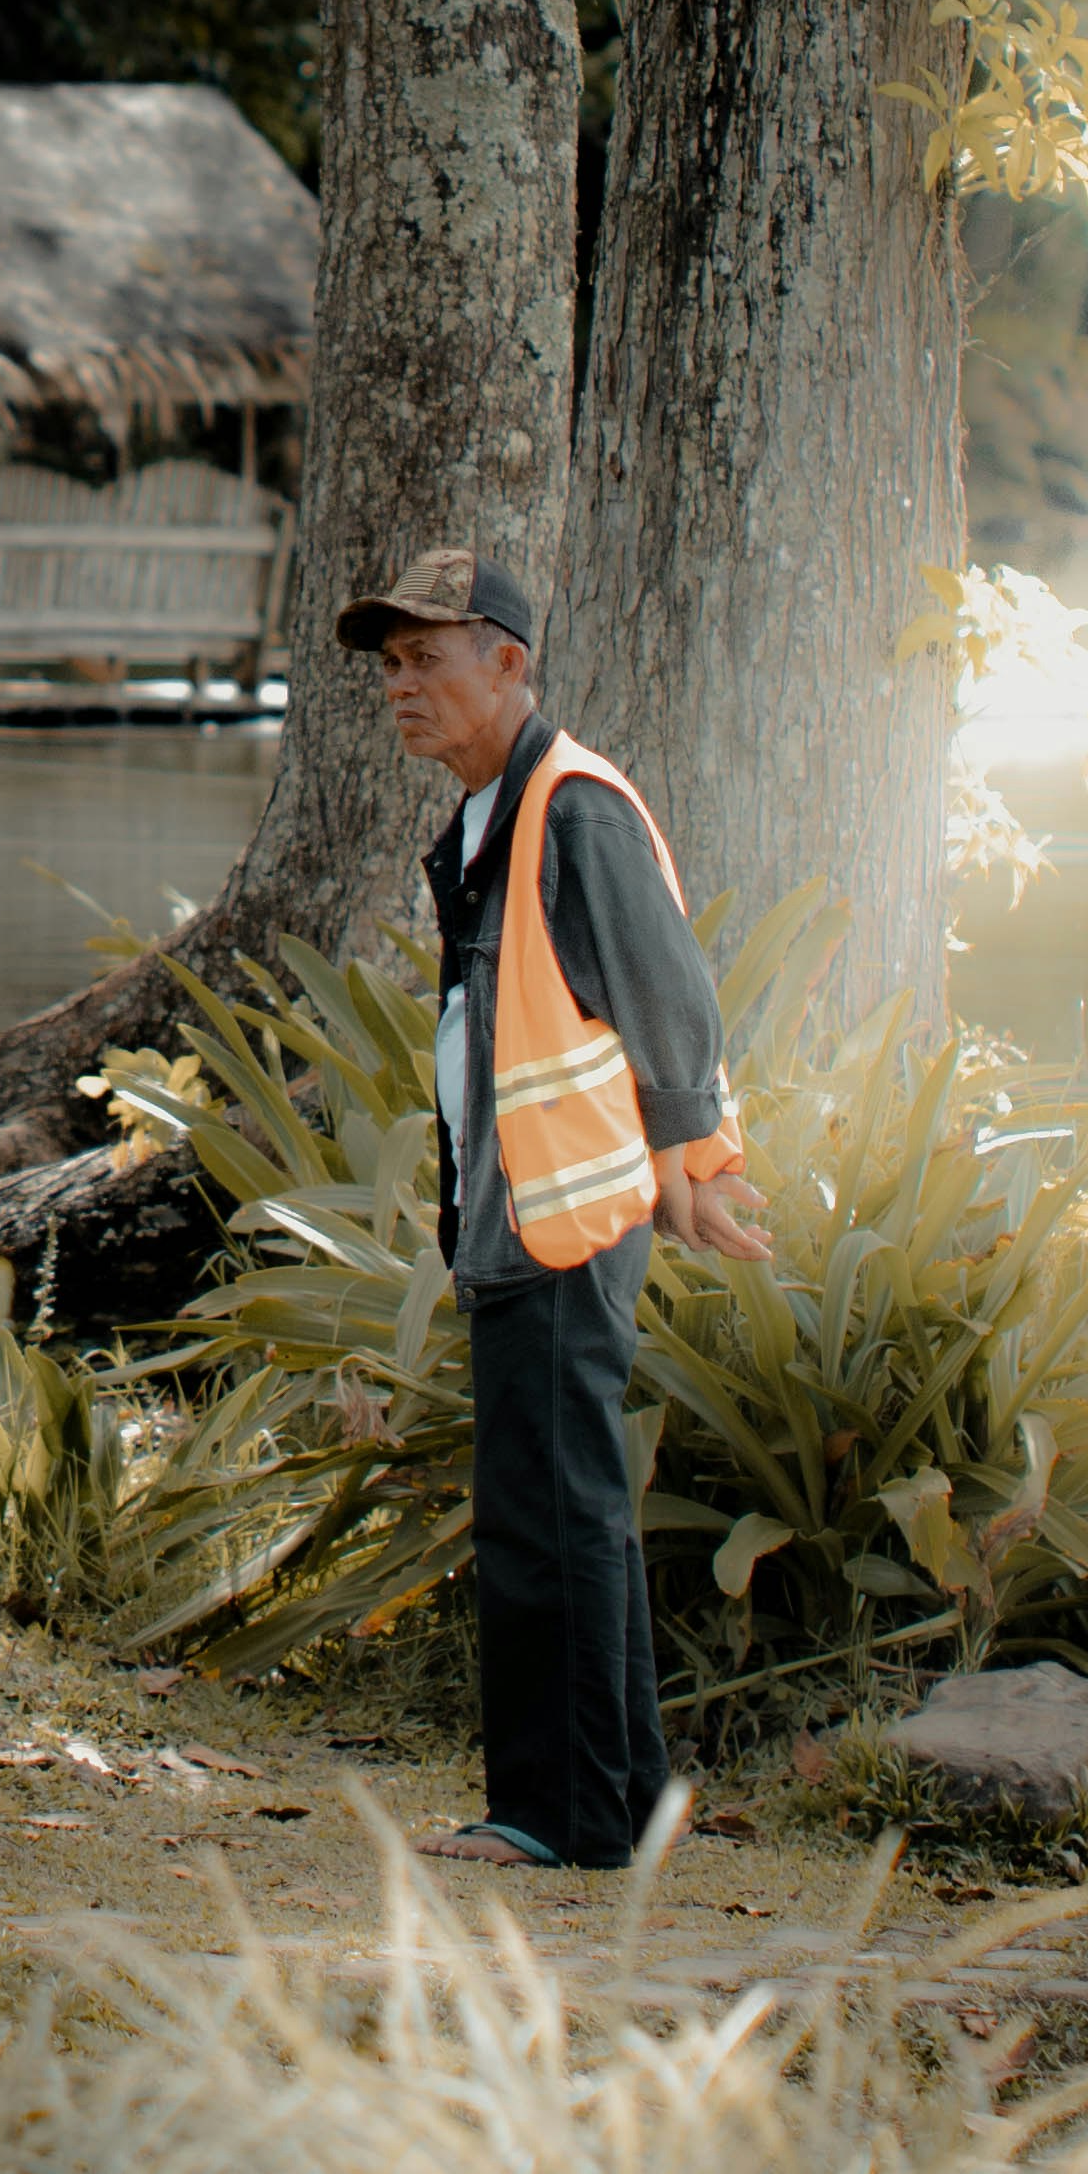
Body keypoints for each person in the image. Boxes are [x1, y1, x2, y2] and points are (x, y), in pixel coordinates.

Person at [336, 543, 769, 1870]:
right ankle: (604, 1805)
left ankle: (559, 1817)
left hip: (565, 1221)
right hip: (516, 1218)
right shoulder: (489, 815)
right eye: (391, 665)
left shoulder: (568, 806)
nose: (401, 687)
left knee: (556, 1509)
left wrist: (695, 1167)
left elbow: (669, 1000)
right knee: (541, 1505)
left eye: (427, 658)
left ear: (507, 663)